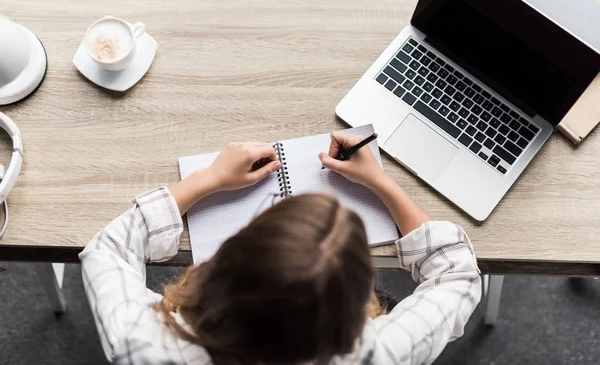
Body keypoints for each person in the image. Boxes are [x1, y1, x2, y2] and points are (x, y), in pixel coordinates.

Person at [80, 132, 481, 365]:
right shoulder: (381, 353)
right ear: (356, 301)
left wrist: (207, 179)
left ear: (226, 263)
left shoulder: (142, 344)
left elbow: (110, 249)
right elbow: (457, 274)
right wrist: (381, 182)